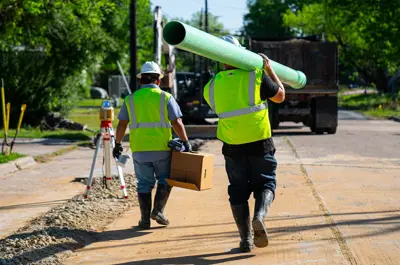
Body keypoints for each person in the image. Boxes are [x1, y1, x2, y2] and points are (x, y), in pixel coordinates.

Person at [203, 36, 285, 252]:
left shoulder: (211, 85)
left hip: (232, 146)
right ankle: (259, 216)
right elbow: (280, 96)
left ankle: (245, 240)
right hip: (260, 143)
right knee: (266, 183)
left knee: (238, 190)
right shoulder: (256, 76)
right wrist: (269, 69)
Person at [113, 61, 192, 229]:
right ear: (158, 80)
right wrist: (185, 141)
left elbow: (121, 124)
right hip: (162, 148)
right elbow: (177, 122)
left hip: (140, 150)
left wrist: (117, 144)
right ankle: (158, 211)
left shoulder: (131, 99)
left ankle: (144, 220)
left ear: (141, 80)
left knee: (144, 183)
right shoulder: (165, 97)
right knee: (165, 180)